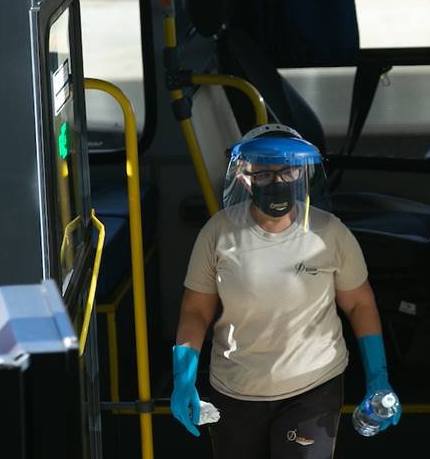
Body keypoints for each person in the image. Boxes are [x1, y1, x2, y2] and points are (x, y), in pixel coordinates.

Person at [170, 123, 401, 458]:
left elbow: (359, 304)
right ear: (244, 177)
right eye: (263, 173)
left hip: (312, 387)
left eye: (287, 172)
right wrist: (183, 379)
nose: (276, 183)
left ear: (302, 174)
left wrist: (378, 378)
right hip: (235, 390)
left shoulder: (330, 233)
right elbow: (196, 311)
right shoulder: (218, 233)